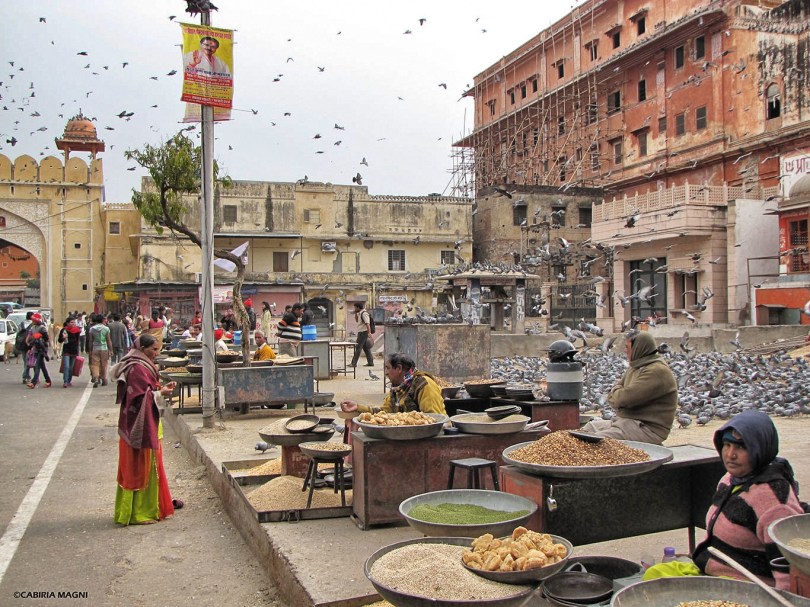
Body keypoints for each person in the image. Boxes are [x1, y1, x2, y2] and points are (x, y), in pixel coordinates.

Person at [646, 410, 807, 590]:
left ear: (760, 449)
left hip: (746, 585)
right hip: (714, 571)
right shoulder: (732, 479)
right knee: (654, 576)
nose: (730, 455)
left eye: (741, 447)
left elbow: (787, 568)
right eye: (726, 445)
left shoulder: (772, 498)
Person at [111, 334, 181, 525]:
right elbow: (141, 397)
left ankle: (151, 508)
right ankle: (138, 513)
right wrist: (161, 393)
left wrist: (160, 389)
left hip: (148, 420)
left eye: (158, 349)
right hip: (140, 424)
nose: (157, 353)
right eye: (154, 350)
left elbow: (147, 390)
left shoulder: (142, 364)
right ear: (142, 349)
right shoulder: (138, 368)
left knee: (151, 464)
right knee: (139, 466)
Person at [580, 331, 677, 444]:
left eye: (627, 347)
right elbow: (616, 394)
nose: (625, 351)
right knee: (587, 429)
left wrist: (616, 392)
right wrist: (617, 393)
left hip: (647, 429)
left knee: (594, 441)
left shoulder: (656, 371)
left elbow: (623, 399)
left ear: (638, 348)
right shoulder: (635, 366)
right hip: (625, 422)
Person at [341, 353, 446, 415]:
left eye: (388, 368)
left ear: (399, 368)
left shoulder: (424, 385)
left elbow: (435, 419)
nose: (386, 373)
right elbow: (385, 412)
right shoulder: (397, 389)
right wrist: (358, 407)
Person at [25, 313, 51, 389]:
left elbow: (46, 339)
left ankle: (34, 382)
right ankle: (48, 380)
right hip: (35, 348)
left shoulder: (42, 328)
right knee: (42, 366)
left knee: (37, 365)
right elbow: (31, 339)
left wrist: (40, 337)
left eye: (33, 320)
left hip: (42, 349)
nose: (32, 321)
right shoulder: (33, 328)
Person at [89, 313, 114, 387]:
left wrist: (90, 350)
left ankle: (96, 378)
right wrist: (111, 350)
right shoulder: (106, 329)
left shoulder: (92, 329)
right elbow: (108, 340)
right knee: (104, 364)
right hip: (104, 348)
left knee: (95, 364)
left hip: (95, 348)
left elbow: (91, 340)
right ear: (102, 320)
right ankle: (103, 379)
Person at [58, 316, 82, 388]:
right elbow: (59, 340)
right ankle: (65, 381)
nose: (73, 324)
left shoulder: (76, 330)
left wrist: (78, 351)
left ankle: (69, 381)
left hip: (74, 350)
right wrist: (63, 338)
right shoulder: (64, 330)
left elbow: (77, 341)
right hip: (66, 350)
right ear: (67, 323)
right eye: (71, 322)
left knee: (71, 367)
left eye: (74, 322)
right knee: (66, 366)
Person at [350, 302, 374, 368]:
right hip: (361, 332)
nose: (354, 309)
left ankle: (354, 363)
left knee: (358, 348)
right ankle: (370, 362)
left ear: (358, 307)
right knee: (366, 348)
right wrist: (355, 314)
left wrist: (369, 333)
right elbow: (357, 321)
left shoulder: (364, 314)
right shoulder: (360, 313)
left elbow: (367, 324)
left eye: (355, 307)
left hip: (363, 332)